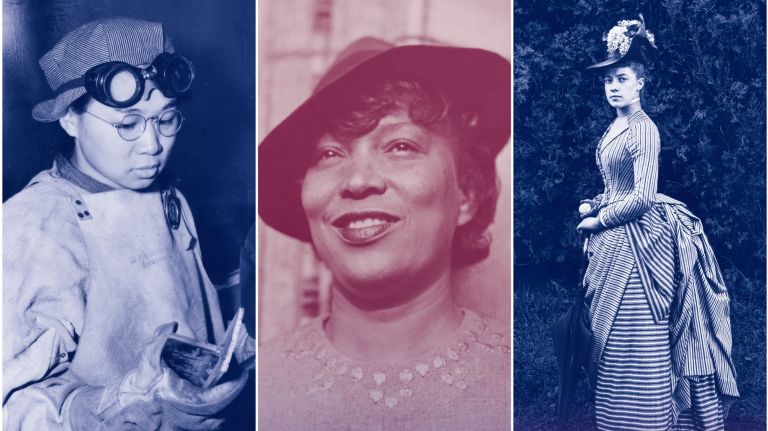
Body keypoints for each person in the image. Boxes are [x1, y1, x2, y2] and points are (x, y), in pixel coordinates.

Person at [3, 17, 248, 430]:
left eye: (165, 120)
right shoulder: (34, 228)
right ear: (70, 120)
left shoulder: (169, 197)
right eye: (128, 125)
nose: (152, 147)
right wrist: (89, 412)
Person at [258, 37, 511, 430]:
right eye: (328, 154)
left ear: (467, 194)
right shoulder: (257, 391)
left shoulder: (525, 383)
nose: (357, 181)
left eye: (400, 146)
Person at [577, 16, 739, 431]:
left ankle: (646, 421)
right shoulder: (616, 125)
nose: (614, 86)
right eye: (609, 79)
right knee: (609, 339)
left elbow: (643, 197)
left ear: (641, 82)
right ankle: (616, 419)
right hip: (614, 239)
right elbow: (619, 185)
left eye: (623, 78)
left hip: (642, 245)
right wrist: (593, 202)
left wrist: (600, 220)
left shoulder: (644, 130)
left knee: (638, 334)